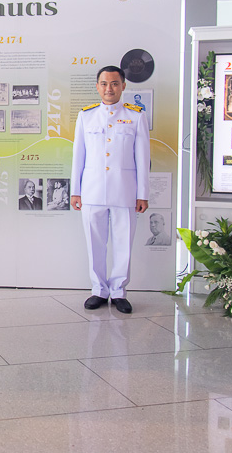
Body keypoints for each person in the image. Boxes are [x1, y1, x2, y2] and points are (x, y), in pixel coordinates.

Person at [71, 65, 150, 314]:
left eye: (115, 83)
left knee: (123, 243)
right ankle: (98, 290)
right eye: (104, 84)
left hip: (124, 191)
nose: (109, 88)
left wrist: (142, 194)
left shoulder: (136, 116)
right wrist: (75, 190)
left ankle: (118, 292)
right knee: (95, 243)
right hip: (92, 190)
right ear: (97, 87)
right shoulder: (86, 116)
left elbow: (142, 159)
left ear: (123, 86)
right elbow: (78, 156)